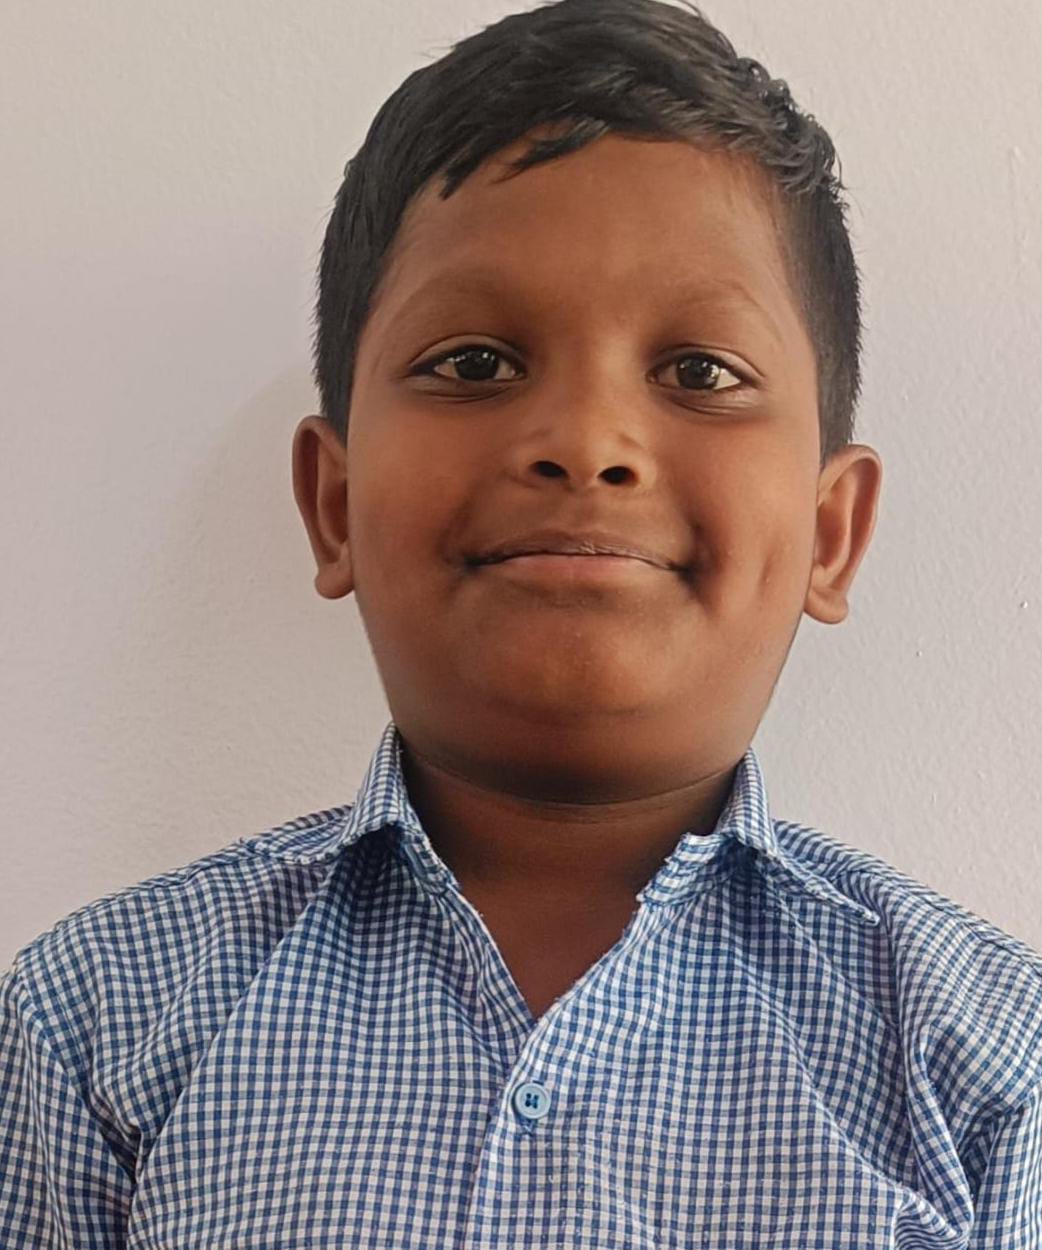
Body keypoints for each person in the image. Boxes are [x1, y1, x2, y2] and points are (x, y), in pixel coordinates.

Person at [3, 0, 1041, 1245]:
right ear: (333, 505)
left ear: (830, 530)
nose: (585, 443)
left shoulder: (993, 1066)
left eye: (699, 372)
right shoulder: (93, 1025)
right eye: (476, 362)